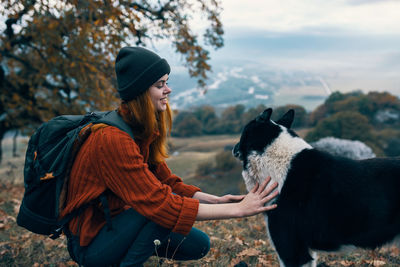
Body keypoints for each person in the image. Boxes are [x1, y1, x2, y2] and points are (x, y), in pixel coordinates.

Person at [61, 46, 279, 267]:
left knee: (198, 244)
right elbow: (160, 203)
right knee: (158, 212)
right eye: (160, 85)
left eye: (166, 82)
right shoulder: (112, 140)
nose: (168, 90)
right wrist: (237, 210)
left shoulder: (140, 129)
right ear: (140, 92)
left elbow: (167, 182)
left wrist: (216, 200)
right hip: (90, 244)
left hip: (117, 224)